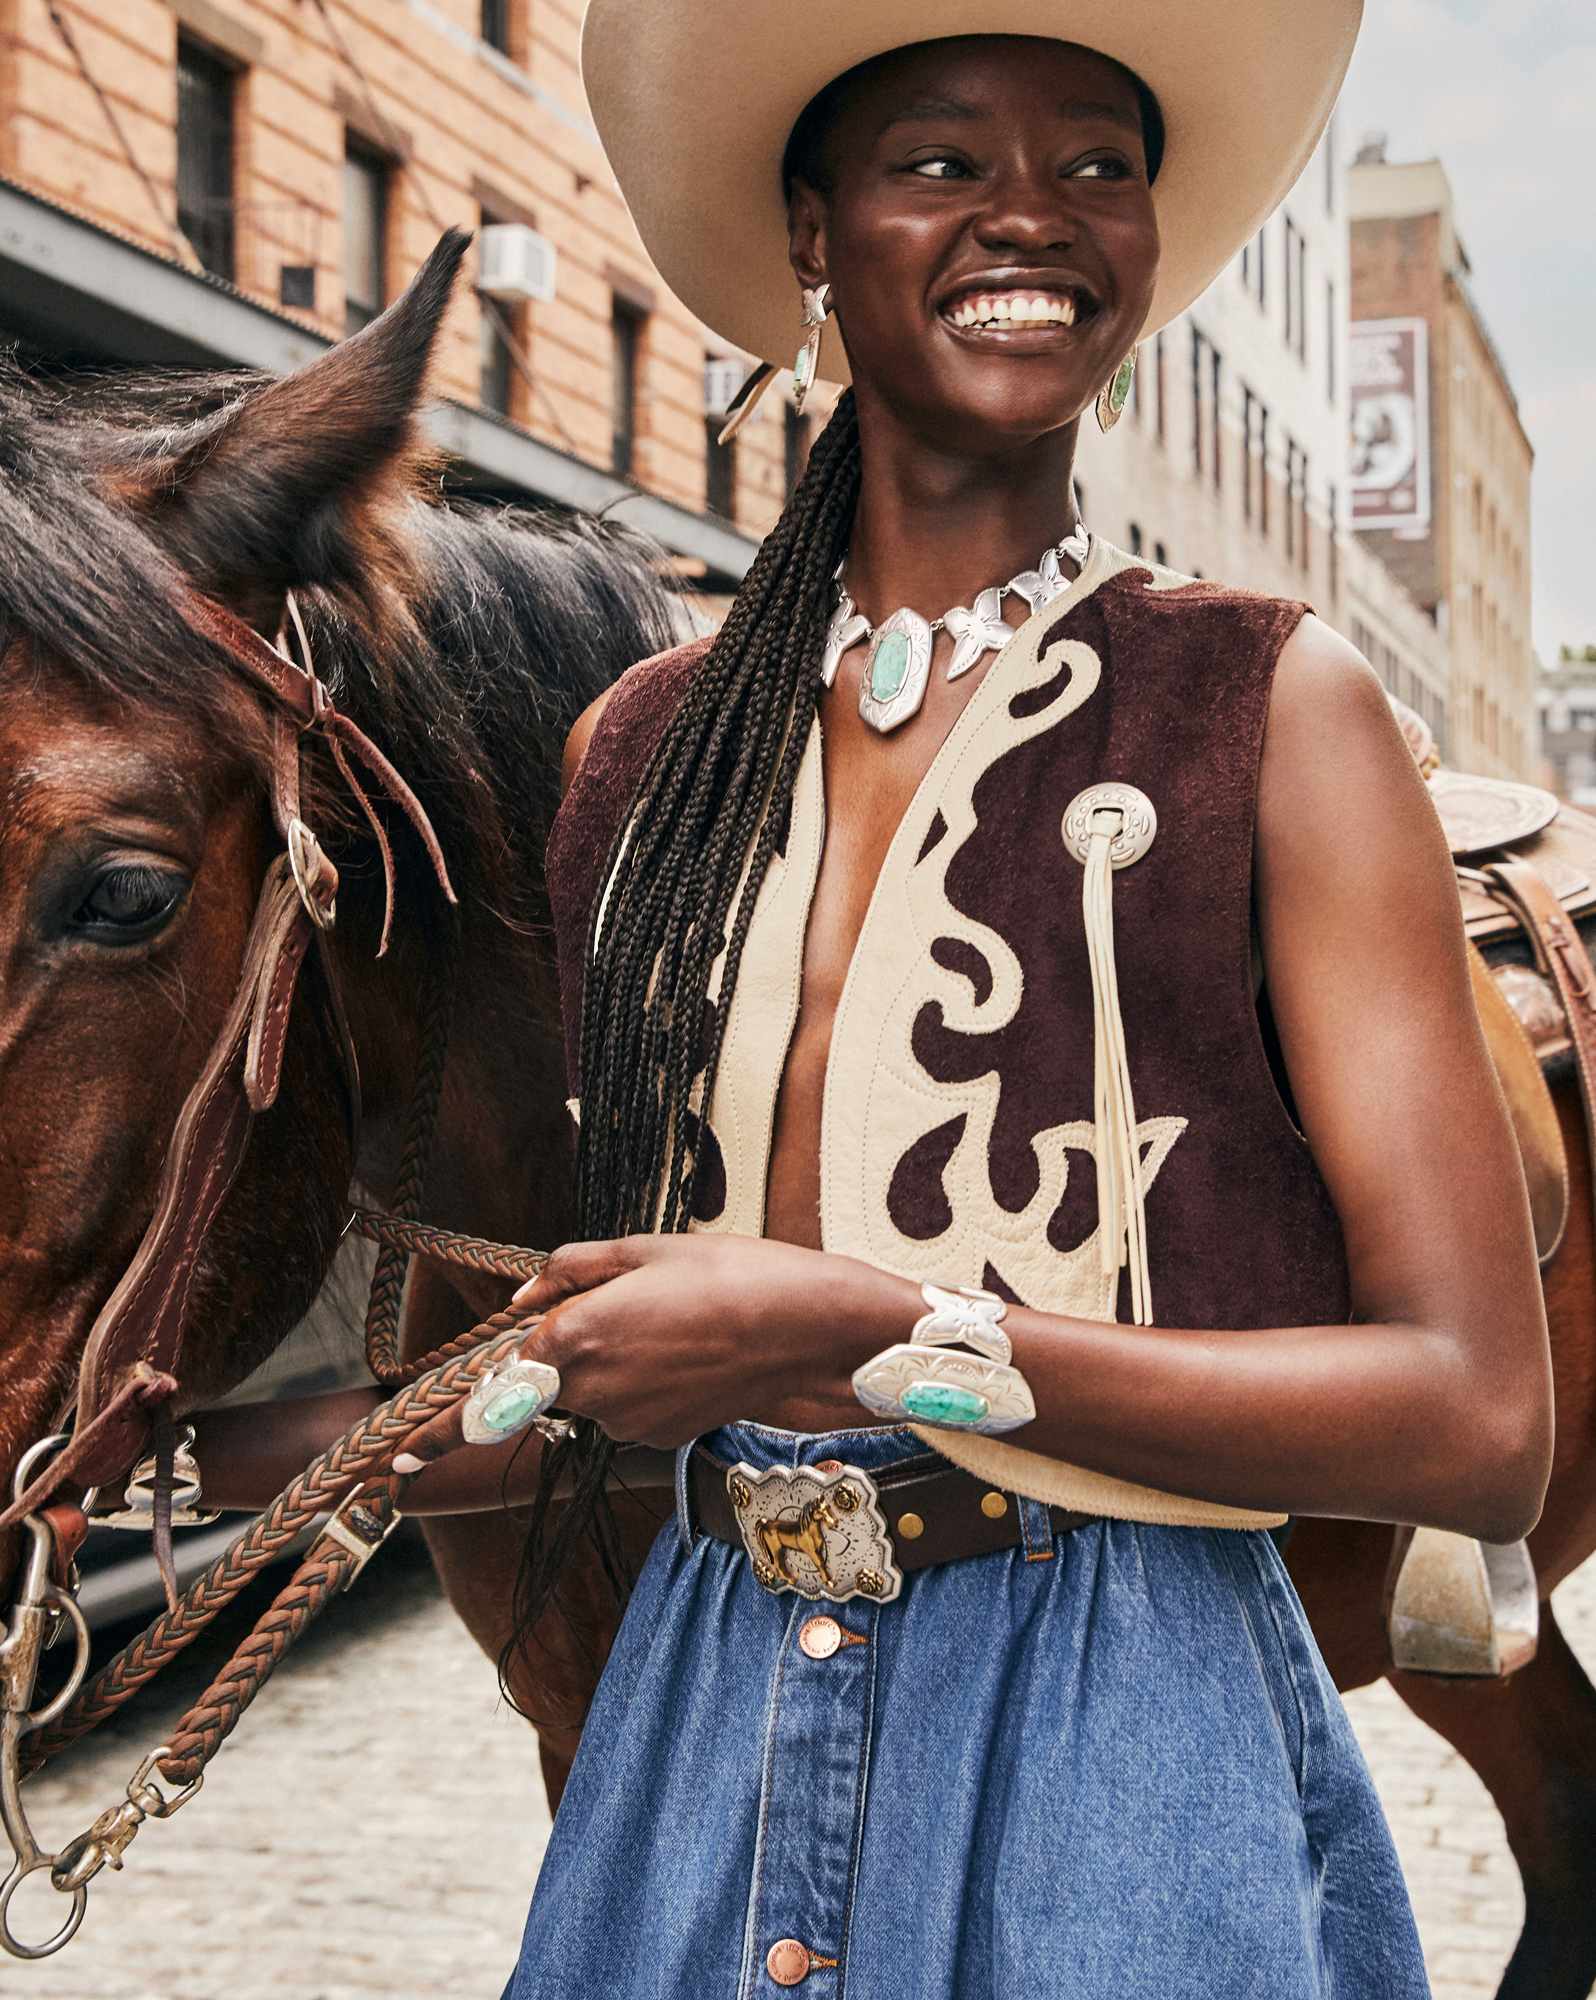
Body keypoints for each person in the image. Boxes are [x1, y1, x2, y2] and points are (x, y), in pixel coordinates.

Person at [195, 4, 1552, 1992]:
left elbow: (1478, 1420)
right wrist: (204, 1468)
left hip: (1125, 1732)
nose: (1035, 214)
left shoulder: (1276, 712)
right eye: (943, 163)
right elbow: (609, 1369)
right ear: (815, 234)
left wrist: (880, 1331)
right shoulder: (647, 756)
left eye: (1099, 166)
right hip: (707, 1727)